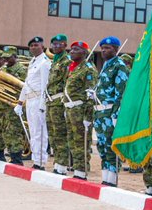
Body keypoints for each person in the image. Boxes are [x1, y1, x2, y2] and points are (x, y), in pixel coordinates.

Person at [89, 36, 130, 186]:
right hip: (100, 112)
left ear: (116, 49)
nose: (104, 51)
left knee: (110, 146)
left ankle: (112, 179)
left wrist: (116, 114)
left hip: (109, 112)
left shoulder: (119, 66)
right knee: (101, 145)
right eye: (103, 48)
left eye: (108, 48)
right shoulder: (106, 65)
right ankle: (105, 177)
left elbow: (121, 92)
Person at [62, 41, 96, 179]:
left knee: (81, 141)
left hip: (80, 109)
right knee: (72, 140)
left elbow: (90, 94)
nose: (71, 52)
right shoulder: (73, 68)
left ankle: (82, 170)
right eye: (71, 49)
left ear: (84, 52)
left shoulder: (88, 69)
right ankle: (76, 168)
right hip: (70, 109)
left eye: (76, 49)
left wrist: (88, 117)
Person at [18, 36, 51, 170]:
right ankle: (35, 159)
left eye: (36, 45)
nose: (33, 48)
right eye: (31, 46)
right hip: (30, 100)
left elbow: (45, 85)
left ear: (42, 47)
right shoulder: (32, 62)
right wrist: (20, 102)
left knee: (40, 132)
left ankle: (41, 161)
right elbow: (26, 84)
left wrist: (43, 104)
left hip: (38, 100)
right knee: (32, 131)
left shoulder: (45, 62)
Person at [45, 34, 71, 175]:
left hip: (59, 102)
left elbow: (67, 83)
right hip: (51, 102)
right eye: (54, 44)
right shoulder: (55, 61)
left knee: (60, 135)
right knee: (53, 135)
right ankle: (57, 163)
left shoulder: (66, 61)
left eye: (59, 44)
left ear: (65, 45)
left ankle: (62, 166)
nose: (56, 46)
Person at [1, 46, 28, 165]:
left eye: (9, 57)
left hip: (16, 104)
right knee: (7, 132)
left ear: (15, 57)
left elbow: (23, 87)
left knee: (15, 132)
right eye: (5, 58)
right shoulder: (4, 69)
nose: (6, 60)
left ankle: (17, 158)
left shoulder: (21, 69)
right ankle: (12, 155)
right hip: (5, 105)